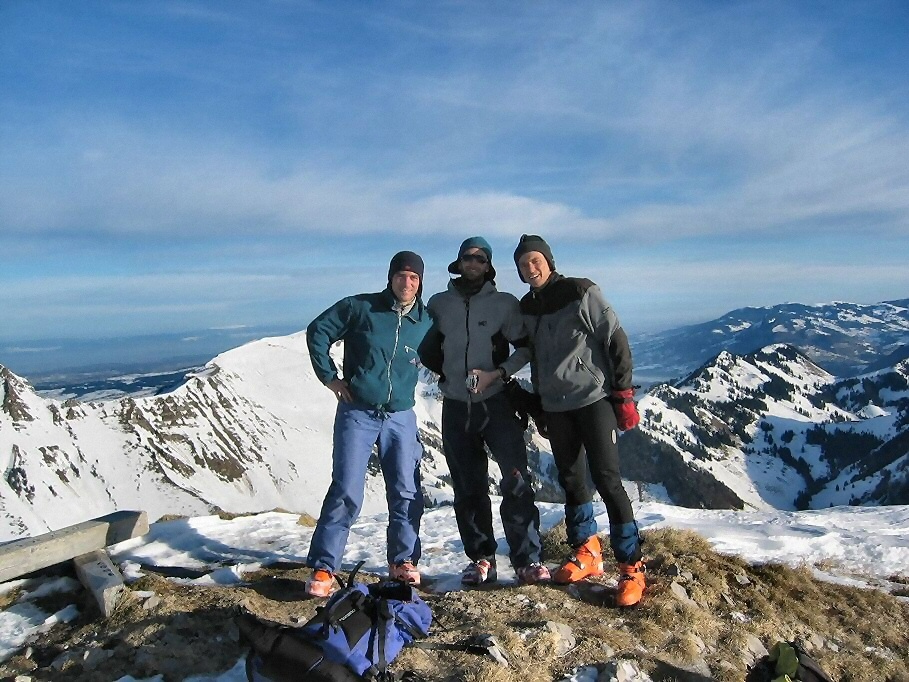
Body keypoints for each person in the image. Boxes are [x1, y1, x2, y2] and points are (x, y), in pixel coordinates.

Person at [512, 234, 646, 607]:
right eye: (523, 264)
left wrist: (623, 395)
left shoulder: (580, 291)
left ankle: (632, 566)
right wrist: (539, 405)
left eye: (536, 260)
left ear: (549, 261)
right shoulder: (527, 307)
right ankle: (587, 550)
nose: (530, 268)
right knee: (571, 477)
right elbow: (534, 357)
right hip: (556, 407)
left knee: (607, 479)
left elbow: (615, 339)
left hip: (593, 399)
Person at [420, 237, 550, 586]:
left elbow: (525, 348)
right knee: (467, 485)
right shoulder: (439, 304)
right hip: (456, 405)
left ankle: (527, 559)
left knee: (516, 480)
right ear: (458, 262)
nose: (473, 263)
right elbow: (426, 346)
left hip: (497, 402)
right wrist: (445, 373)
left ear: (488, 265)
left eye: (480, 258)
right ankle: (481, 558)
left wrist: (499, 373)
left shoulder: (504, 305)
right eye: (467, 257)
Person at [305, 251, 432, 598]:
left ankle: (403, 561)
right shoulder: (360, 307)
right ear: (390, 277)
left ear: (420, 283)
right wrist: (330, 378)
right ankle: (324, 566)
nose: (407, 283)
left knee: (406, 489)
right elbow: (319, 331)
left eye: (414, 278)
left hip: (400, 415)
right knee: (346, 488)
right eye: (401, 275)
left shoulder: (425, 321)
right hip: (357, 411)